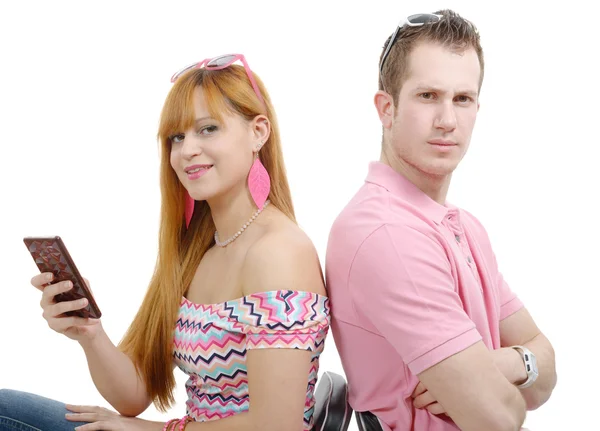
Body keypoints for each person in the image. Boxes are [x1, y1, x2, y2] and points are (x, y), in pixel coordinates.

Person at [0, 54, 330, 431]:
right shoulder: (197, 249)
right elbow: (133, 396)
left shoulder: (279, 252)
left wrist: (149, 429)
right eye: (177, 136)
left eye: (207, 129)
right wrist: (88, 333)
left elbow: (278, 426)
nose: (187, 149)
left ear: (258, 132)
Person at [325, 10, 556, 431]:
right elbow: (501, 417)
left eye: (462, 99)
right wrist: (522, 369)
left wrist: (501, 362)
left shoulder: (464, 227)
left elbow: (547, 369)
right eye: (428, 96)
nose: (448, 120)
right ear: (386, 108)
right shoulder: (386, 233)